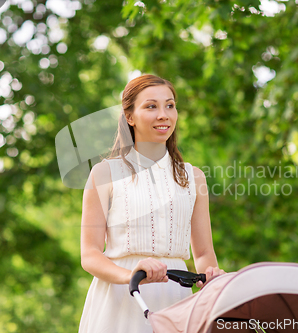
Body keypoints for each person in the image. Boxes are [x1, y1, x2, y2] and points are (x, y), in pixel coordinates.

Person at [78, 74, 226, 333]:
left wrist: (211, 279)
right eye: (151, 106)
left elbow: (203, 254)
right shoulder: (104, 174)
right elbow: (89, 254)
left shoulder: (194, 177)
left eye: (170, 105)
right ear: (130, 117)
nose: (163, 115)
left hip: (176, 299)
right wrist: (132, 276)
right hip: (121, 298)